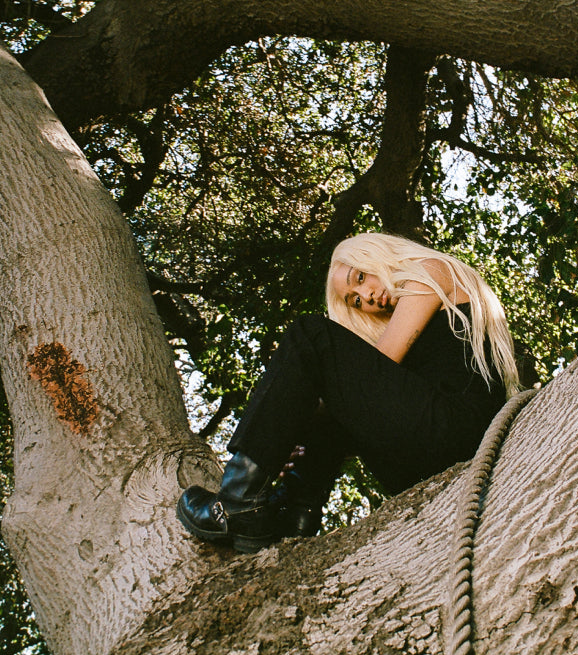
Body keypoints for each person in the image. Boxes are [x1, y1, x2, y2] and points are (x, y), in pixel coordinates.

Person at [176, 232, 519, 554]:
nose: (366, 297)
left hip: (460, 431)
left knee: (311, 337)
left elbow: (372, 369)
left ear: (377, 256)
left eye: (360, 278)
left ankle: (236, 501)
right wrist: (303, 433)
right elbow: (360, 397)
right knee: (326, 416)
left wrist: (293, 419)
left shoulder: (432, 271)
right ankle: (293, 517)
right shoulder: (403, 348)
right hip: (419, 465)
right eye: (355, 300)